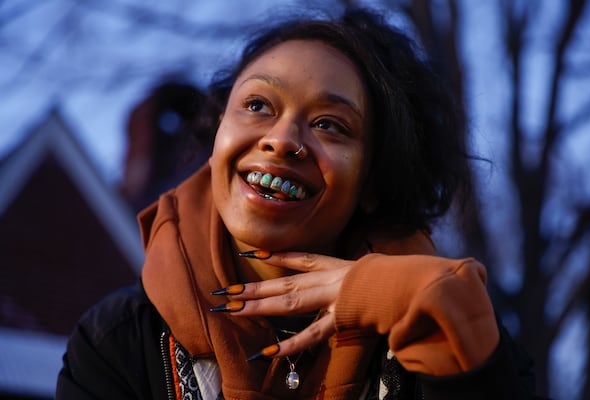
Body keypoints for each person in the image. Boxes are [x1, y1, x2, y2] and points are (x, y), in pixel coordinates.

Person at [56, 7, 542, 400]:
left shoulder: (456, 328)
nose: (282, 140)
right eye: (258, 105)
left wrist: (449, 338)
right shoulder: (116, 342)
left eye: (331, 124)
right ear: (217, 136)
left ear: (374, 181)